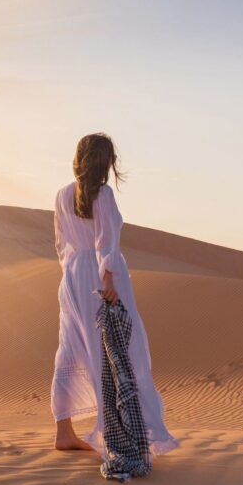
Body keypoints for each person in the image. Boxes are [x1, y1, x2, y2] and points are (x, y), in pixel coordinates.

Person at [50, 132, 181, 463]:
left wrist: (73, 276)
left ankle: (64, 432)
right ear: (106, 161)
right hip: (100, 276)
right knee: (117, 352)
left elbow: (60, 244)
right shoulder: (103, 194)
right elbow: (105, 242)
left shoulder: (62, 195)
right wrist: (108, 279)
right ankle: (119, 433)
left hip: (72, 277)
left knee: (71, 349)